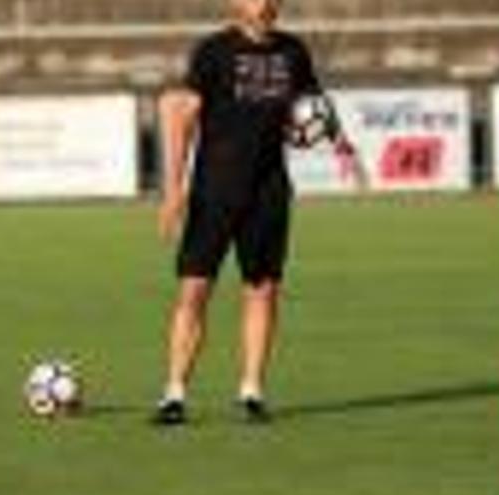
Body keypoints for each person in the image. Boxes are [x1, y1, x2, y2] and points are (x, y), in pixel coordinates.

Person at [154, 0, 361, 425]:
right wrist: (174, 189)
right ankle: (174, 394)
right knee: (194, 291)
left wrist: (342, 146)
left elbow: (316, 105)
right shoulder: (212, 52)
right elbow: (183, 119)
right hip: (214, 191)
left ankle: (251, 391)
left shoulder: (293, 51)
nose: (265, 4)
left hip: (269, 191)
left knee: (262, 289)